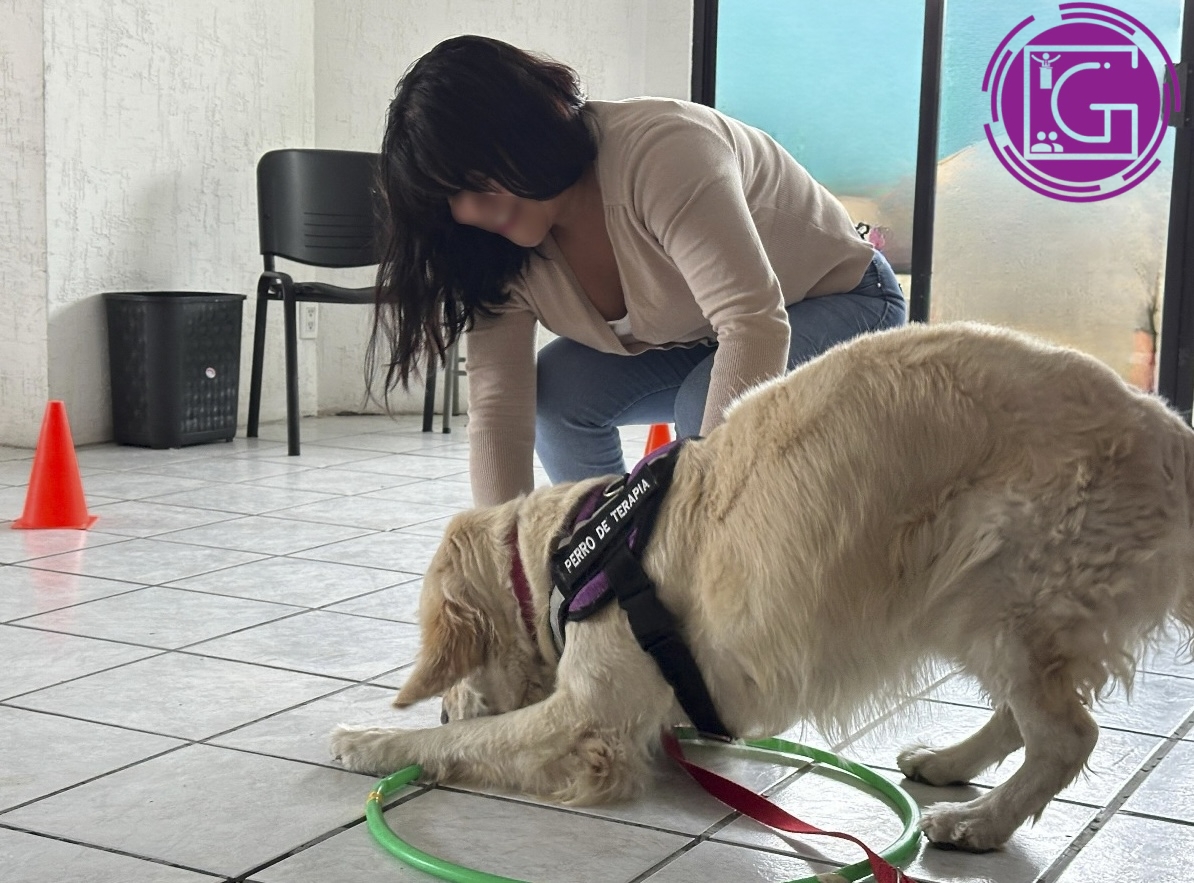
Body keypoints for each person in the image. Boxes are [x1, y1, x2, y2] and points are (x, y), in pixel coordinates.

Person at [369, 35, 907, 507]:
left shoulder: (663, 151)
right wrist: (503, 557)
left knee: (703, 408)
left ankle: (702, 566)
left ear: (525, 130)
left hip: (844, 299)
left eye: (474, 180)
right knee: (554, 397)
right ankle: (609, 561)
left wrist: (696, 528)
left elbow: (752, 325)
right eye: (450, 197)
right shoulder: (493, 249)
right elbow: (497, 409)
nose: (468, 211)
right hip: (700, 336)